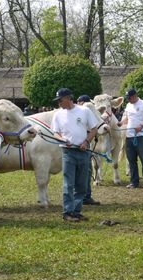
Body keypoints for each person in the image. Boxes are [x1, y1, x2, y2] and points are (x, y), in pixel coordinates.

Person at [51, 87, 99, 222]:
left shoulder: (84, 111)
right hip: (68, 152)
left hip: (83, 152)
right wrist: (62, 140)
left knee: (82, 184)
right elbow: (55, 133)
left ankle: (76, 212)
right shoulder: (58, 114)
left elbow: (94, 129)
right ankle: (67, 212)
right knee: (68, 183)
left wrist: (86, 142)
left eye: (60, 100)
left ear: (68, 98)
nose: (58, 103)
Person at [119, 88, 143, 189]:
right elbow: (127, 117)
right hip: (129, 136)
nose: (128, 99)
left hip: (142, 136)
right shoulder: (128, 105)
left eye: (129, 97)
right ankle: (134, 182)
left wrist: (142, 126)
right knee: (131, 160)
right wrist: (121, 122)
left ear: (135, 96)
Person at [75, 94, 102, 206]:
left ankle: (85, 196)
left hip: (85, 143)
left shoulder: (85, 112)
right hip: (82, 144)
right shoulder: (83, 112)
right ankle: (83, 197)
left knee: (87, 170)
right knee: (84, 170)